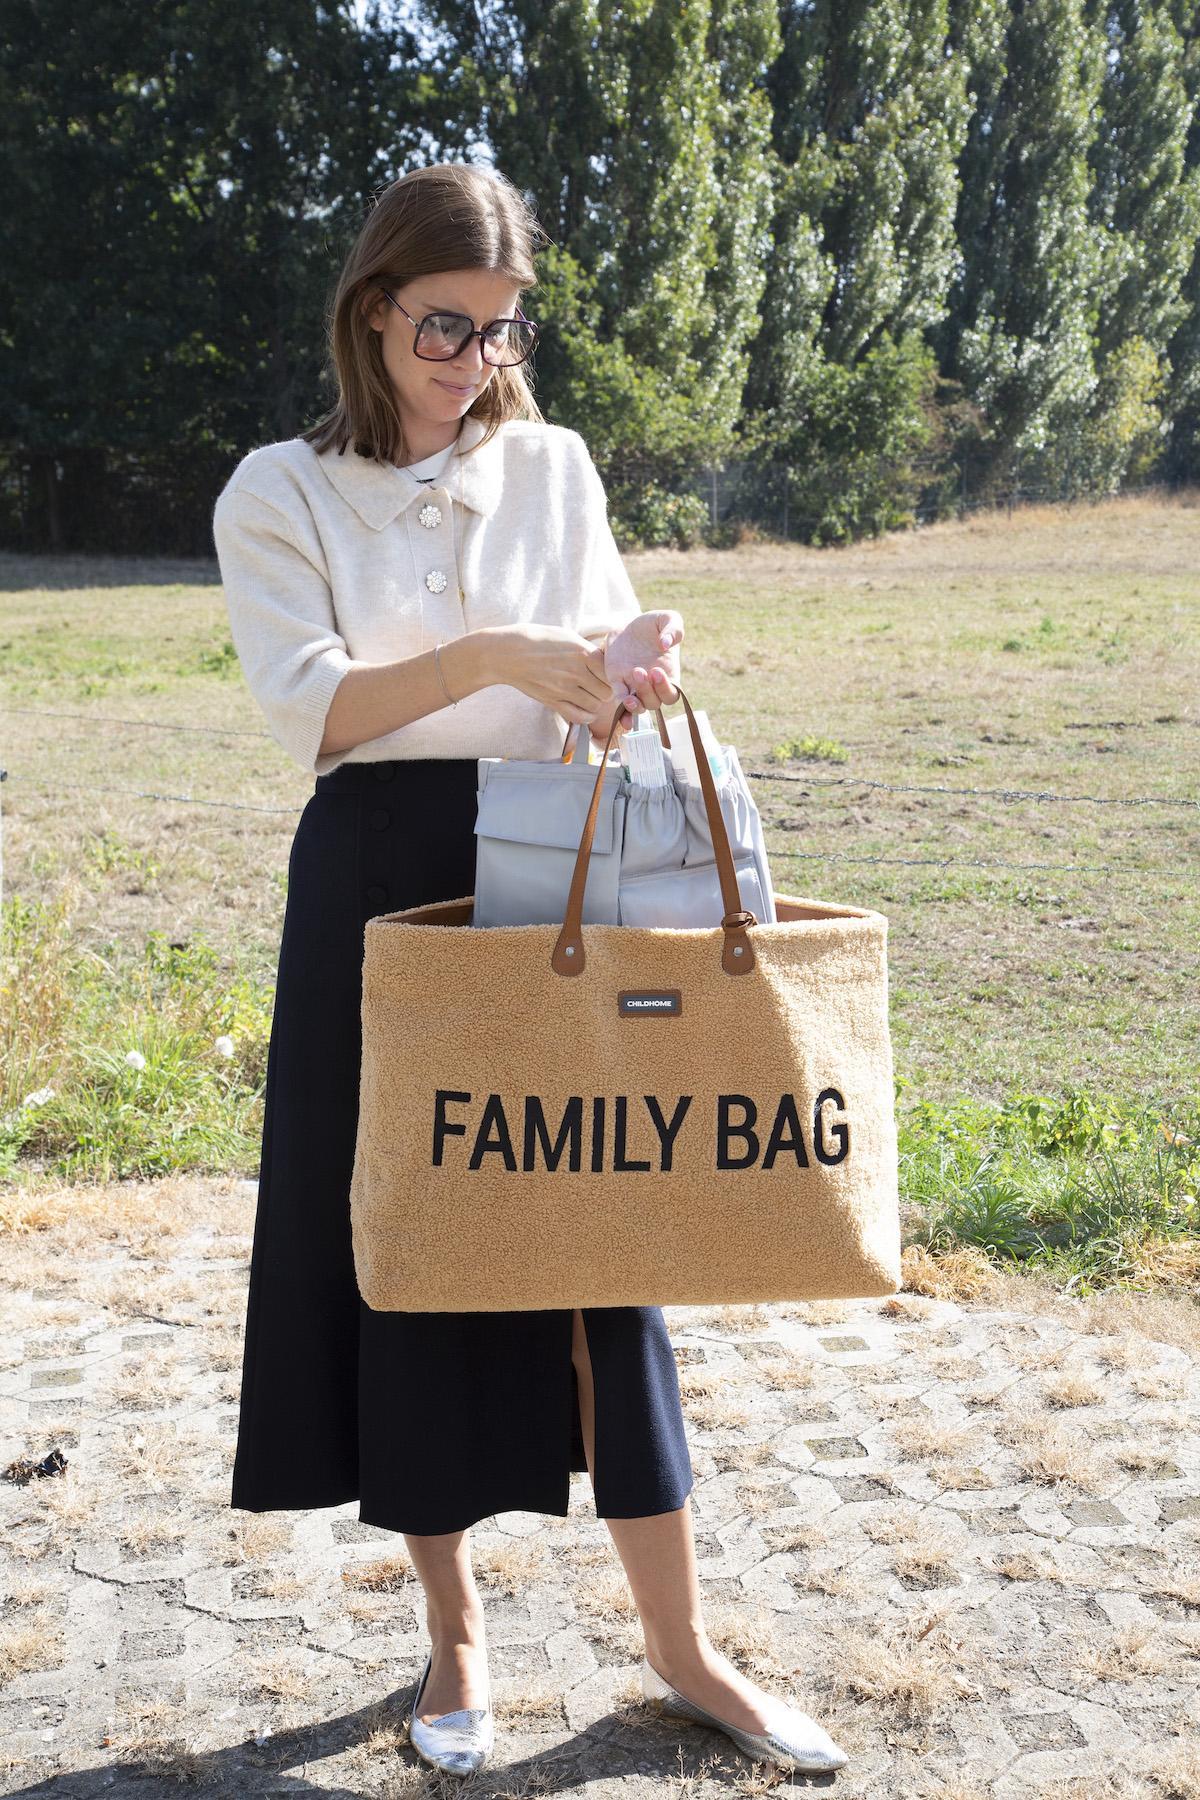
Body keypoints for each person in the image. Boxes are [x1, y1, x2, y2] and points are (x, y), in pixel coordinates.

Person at [211, 161, 848, 1780]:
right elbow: (319, 714)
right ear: (372, 308)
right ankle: (455, 1643)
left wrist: (636, 663)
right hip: (374, 886)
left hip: (544, 867)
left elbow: (604, 669)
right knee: (417, 1254)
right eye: (446, 326)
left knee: (600, 1241)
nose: (476, 360)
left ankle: (685, 1650)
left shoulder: (555, 465)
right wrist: (501, 652)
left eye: (501, 332)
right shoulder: (277, 491)